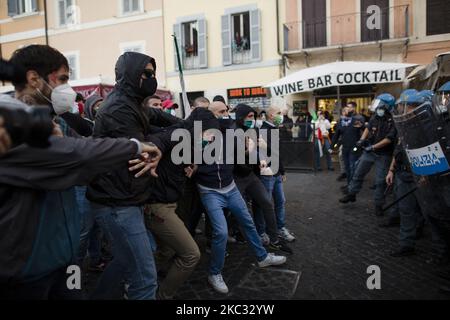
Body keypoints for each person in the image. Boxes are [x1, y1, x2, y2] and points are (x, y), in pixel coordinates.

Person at [0, 45, 162, 300]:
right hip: (26, 270)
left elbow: (80, 163)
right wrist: (135, 146)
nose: (68, 88)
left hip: (63, 258)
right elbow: (76, 154)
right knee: (142, 277)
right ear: (33, 79)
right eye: (63, 79)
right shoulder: (8, 125)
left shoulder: (52, 120)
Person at [86, 52, 180, 300]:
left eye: (153, 73)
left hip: (128, 197)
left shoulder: (136, 103)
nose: (152, 78)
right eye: (146, 74)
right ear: (129, 74)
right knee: (146, 279)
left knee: (134, 257)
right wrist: (160, 142)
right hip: (116, 201)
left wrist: (180, 129)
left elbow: (174, 125)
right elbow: (144, 149)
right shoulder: (118, 108)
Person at [195, 102, 287, 294]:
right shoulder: (196, 136)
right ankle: (214, 272)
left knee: (247, 222)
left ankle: (262, 257)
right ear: (209, 115)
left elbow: (240, 155)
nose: (226, 115)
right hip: (210, 192)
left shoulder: (231, 132)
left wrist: (249, 149)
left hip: (230, 188)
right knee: (221, 232)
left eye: (227, 111)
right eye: (221, 112)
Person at [233, 104, 293, 254]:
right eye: (250, 117)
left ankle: (274, 239)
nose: (252, 120)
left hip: (254, 174)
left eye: (254, 116)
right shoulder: (234, 131)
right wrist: (253, 154)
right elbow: (239, 158)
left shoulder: (253, 130)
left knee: (267, 203)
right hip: (239, 177)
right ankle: (255, 236)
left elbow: (267, 152)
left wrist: (259, 158)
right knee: (243, 211)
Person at [339, 94, 397, 217]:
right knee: (358, 172)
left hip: (384, 154)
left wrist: (373, 147)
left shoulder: (393, 120)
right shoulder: (375, 116)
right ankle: (351, 194)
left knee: (380, 181)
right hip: (369, 152)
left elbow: (389, 139)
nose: (377, 107)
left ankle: (378, 205)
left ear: (386, 106)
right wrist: (362, 139)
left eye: (380, 104)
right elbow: (368, 128)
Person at [385, 90, 426, 257]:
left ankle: (442, 252)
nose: (400, 108)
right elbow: (399, 151)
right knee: (406, 211)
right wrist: (391, 170)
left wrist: (426, 175)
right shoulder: (404, 125)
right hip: (403, 174)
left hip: (421, 177)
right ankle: (406, 244)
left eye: (402, 105)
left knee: (429, 214)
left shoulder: (426, 126)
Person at [257, 106, 296, 242]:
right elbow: (263, 153)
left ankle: (280, 227)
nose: (281, 116)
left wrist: (282, 171)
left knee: (280, 201)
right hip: (267, 174)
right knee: (266, 204)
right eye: (279, 113)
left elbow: (277, 153)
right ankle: (263, 232)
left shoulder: (274, 129)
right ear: (271, 115)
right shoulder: (263, 131)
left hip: (276, 173)